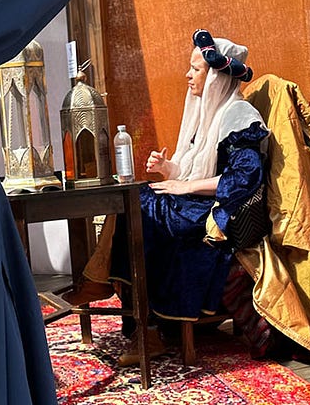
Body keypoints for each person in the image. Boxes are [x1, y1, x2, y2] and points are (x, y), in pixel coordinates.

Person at [94, 29, 271, 364]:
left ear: (216, 75)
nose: (188, 75)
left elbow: (244, 179)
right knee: (139, 198)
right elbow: (196, 170)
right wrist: (170, 170)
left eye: (197, 69)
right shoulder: (207, 114)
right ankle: (145, 324)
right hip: (200, 202)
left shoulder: (238, 115)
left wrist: (183, 186)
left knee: (144, 205)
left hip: (222, 212)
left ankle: (140, 319)